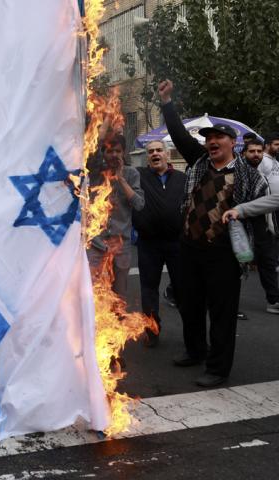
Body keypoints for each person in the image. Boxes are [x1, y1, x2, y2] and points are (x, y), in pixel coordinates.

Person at [158, 79, 267, 388]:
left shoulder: (249, 176)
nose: (212, 142)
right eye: (208, 138)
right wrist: (167, 102)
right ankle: (195, 351)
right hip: (190, 247)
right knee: (189, 304)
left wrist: (256, 253)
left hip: (224, 253)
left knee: (222, 312)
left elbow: (258, 217)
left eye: (219, 137)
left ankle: (218, 368)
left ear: (233, 143)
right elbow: (179, 136)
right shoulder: (199, 163)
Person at [133, 140, 186, 346]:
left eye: (159, 150)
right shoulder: (139, 176)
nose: (155, 154)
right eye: (150, 151)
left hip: (177, 244)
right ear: (147, 157)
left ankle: (192, 336)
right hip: (148, 244)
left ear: (167, 155)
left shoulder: (182, 178)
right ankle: (152, 331)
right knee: (148, 290)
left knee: (184, 290)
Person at [222, 139, 279, 314]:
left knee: (267, 262)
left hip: (261, 224)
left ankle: (273, 300)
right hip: (238, 225)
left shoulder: (262, 174)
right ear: (243, 153)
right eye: (252, 151)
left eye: (259, 151)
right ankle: (228, 306)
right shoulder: (237, 174)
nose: (256, 155)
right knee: (234, 266)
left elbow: (270, 201)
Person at [87, 133, 145, 300]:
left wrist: (121, 179)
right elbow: (92, 146)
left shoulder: (132, 174)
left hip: (121, 246)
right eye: (110, 151)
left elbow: (139, 204)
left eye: (118, 151)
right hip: (96, 245)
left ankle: (119, 324)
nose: (114, 155)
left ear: (124, 153)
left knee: (119, 296)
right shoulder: (95, 173)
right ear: (104, 153)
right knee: (95, 294)